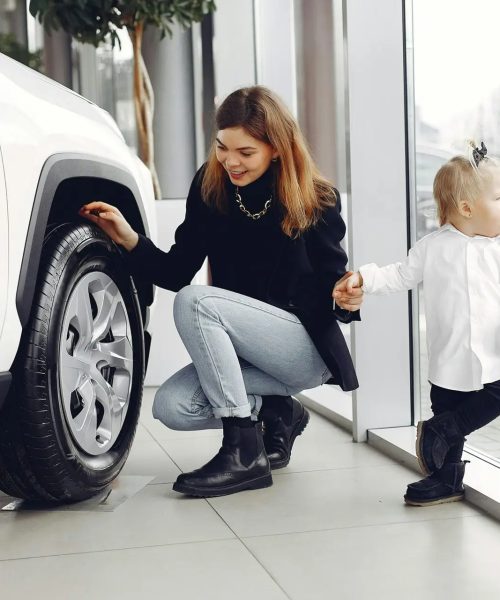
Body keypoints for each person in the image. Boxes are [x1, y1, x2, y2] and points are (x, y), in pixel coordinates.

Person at [79, 85, 362, 498]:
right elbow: (177, 270)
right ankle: (278, 412)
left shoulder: (316, 198)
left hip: (302, 349)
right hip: (247, 352)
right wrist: (129, 239)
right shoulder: (211, 188)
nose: (231, 161)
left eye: (246, 152)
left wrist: (346, 297)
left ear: (277, 148)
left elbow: (334, 282)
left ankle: (243, 453)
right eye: (222, 147)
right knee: (171, 406)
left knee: (197, 302)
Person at [334, 141, 500, 507]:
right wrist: (364, 277)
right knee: (446, 407)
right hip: (448, 355)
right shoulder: (434, 247)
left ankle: (446, 429)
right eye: (499, 199)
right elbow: (399, 275)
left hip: (493, 353)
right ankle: (446, 478)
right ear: (467, 208)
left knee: (484, 401)